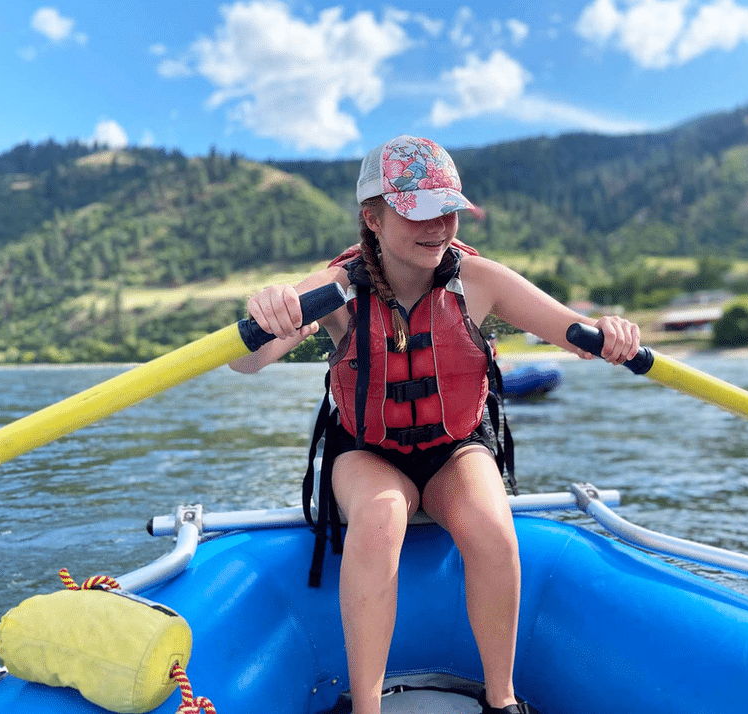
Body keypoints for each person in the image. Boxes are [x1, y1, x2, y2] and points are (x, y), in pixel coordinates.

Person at [230, 135, 640, 714]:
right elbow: (247, 359)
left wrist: (614, 332)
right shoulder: (337, 292)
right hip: (367, 452)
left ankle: (502, 701)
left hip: (454, 450)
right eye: (416, 209)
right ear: (371, 217)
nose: (437, 225)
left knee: (495, 528)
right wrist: (268, 309)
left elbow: (578, 333)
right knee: (381, 515)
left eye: (447, 209)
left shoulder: (481, 281)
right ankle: (367, 706)